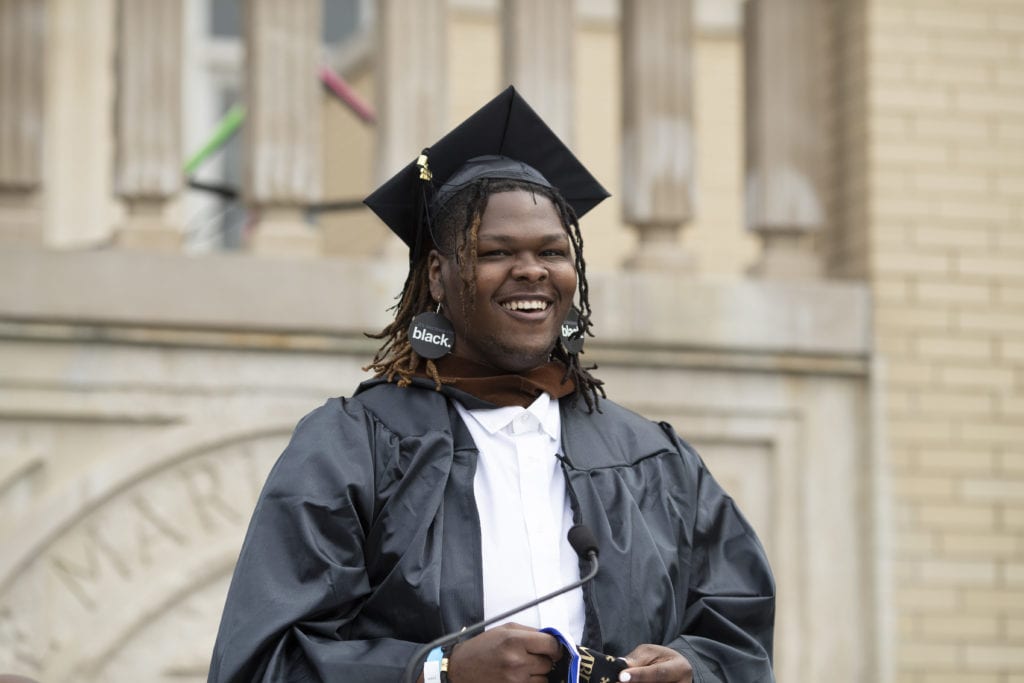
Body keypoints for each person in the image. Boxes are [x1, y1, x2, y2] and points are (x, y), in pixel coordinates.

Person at [208, 87, 775, 683]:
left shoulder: (653, 461)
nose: (531, 269)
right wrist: (435, 671)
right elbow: (260, 664)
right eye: (496, 251)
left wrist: (693, 670)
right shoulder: (355, 449)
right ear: (437, 276)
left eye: (552, 251)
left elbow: (735, 633)